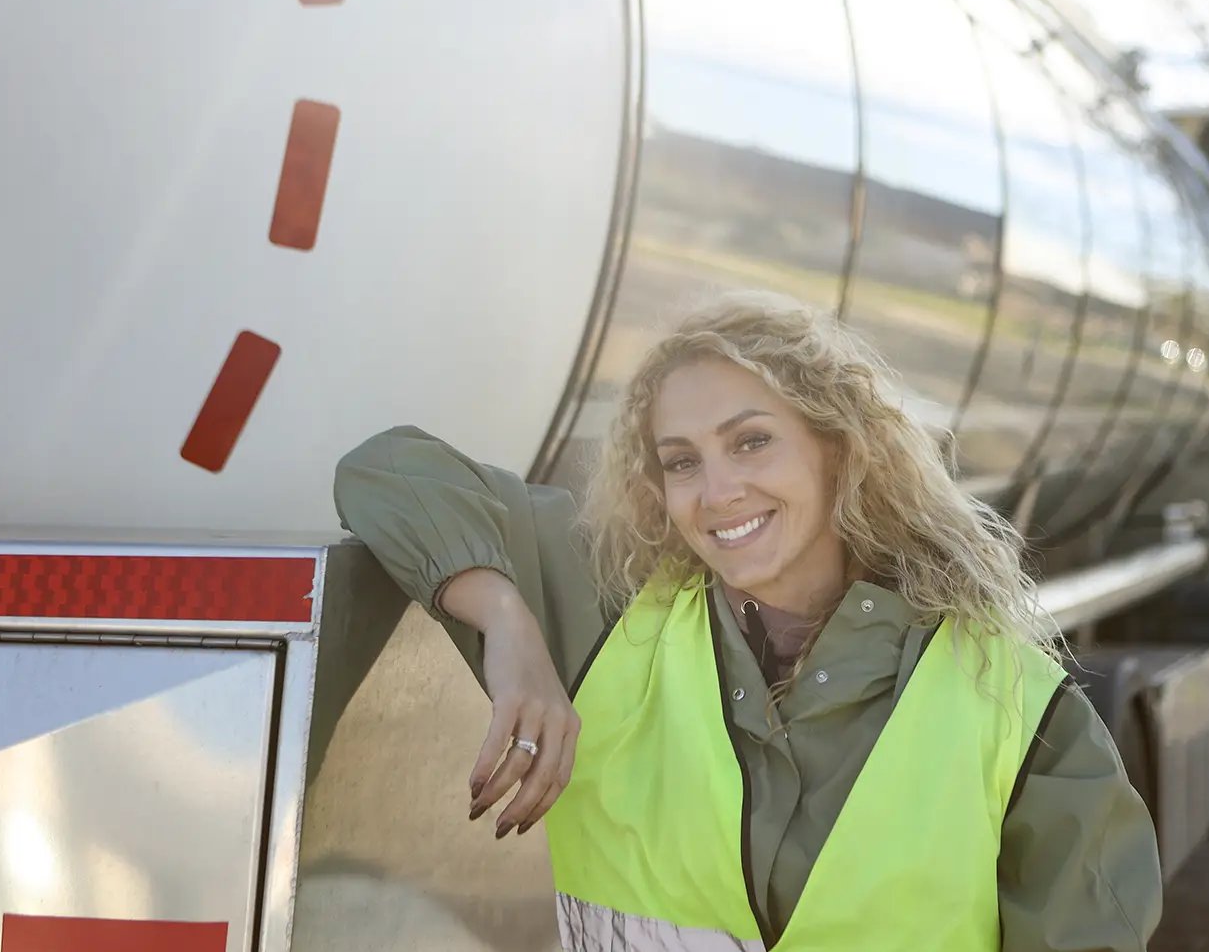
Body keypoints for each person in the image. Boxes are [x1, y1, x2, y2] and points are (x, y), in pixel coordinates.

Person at [334, 291, 1162, 951]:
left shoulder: (1017, 711)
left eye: (752, 442)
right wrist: (507, 627)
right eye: (682, 461)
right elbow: (387, 471)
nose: (717, 490)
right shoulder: (611, 615)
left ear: (838, 448)